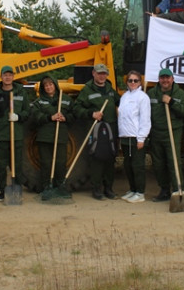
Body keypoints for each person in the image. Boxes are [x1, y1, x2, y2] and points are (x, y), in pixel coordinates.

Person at [73, 63, 120, 200]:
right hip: (96, 130)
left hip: (111, 129)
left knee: (110, 158)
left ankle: (109, 189)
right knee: (97, 159)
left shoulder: (110, 89)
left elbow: (121, 102)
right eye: (99, 73)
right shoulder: (87, 90)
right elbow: (77, 109)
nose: (102, 76)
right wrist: (91, 114)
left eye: (104, 73)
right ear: (93, 73)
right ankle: (96, 189)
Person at [146, 68, 184, 201]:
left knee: (173, 161)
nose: (165, 80)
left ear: (172, 79)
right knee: (158, 163)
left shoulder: (180, 93)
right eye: (162, 78)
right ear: (159, 80)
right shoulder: (151, 94)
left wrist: (171, 102)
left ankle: (178, 189)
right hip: (156, 132)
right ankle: (164, 190)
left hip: (173, 132)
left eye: (167, 78)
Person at [0, 65, 30, 200]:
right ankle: (2, 190)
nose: (7, 77)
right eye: (5, 75)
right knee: (0, 165)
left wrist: (18, 116)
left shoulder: (21, 93)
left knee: (16, 164)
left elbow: (27, 112)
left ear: (13, 77)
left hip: (16, 135)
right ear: (1, 77)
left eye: (10, 75)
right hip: (1, 135)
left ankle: (16, 189)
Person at [30, 76, 73, 192]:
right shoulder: (38, 102)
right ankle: (46, 187)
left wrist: (65, 117)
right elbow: (35, 116)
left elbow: (74, 115)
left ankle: (60, 187)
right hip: (45, 137)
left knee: (60, 163)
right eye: (46, 86)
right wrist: (50, 117)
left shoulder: (66, 99)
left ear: (55, 85)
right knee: (46, 163)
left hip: (61, 136)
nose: (49, 87)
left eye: (51, 84)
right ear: (43, 88)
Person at [117, 71, 151, 203]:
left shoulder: (143, 97)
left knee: (137, 166)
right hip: (125, 136)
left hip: (136, 137)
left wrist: (141, 138)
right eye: (130, 80)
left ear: (140, 82)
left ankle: (140, 192)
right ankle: (132, 189)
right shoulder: (124, 96)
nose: (132, 83)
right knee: (128, 165)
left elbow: (145, 119)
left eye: (135, 80)